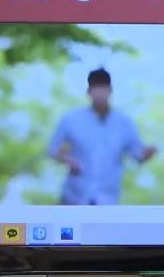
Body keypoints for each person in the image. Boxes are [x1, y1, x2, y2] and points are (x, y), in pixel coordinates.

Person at [49, 67, 156, 205]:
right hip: (74, 195)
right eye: (96, 88)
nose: (100, 93)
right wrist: (67, 160)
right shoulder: (71, 119)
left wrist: (147, 153)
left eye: (103, 87)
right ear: (88, 91)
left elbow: (138, 155)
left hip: (108, 198)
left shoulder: (124, 123)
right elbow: (52, 150)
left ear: (110, 90)